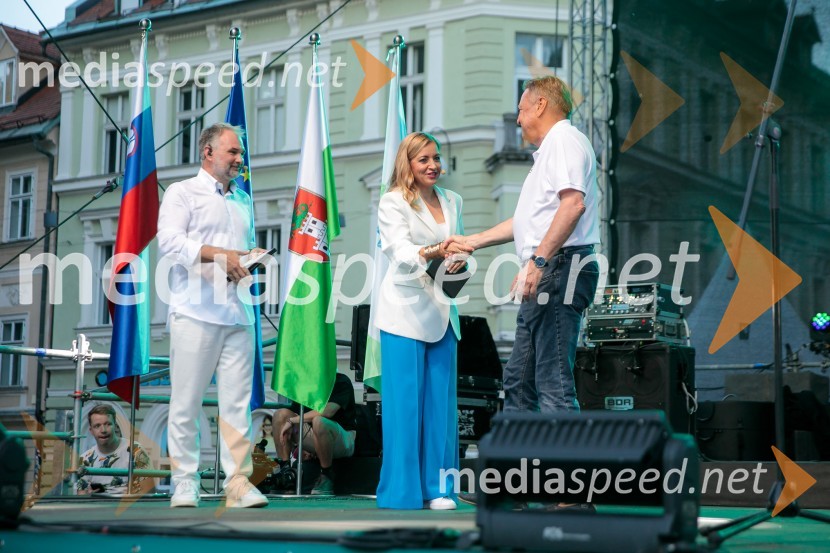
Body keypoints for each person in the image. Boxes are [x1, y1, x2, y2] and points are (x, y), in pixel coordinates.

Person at [445, 75, 600, 414]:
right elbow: (528, 221)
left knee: (553, 383)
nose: (517, 119)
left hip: (560, 267)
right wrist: (472, 241)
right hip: (553, 268)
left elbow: (573, 205)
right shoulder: (550, 151)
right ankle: (522, 448)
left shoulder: (564, 141)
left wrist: (538, 262)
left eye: (521, 109)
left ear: (541, 105)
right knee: (518, 381)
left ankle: (566, 451)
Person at [157, 122, 268, 509]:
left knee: (237, 406)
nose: (240, 159)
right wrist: (223, 256)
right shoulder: (181, 192)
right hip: (195, 311)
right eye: (233, 152)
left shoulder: (242, 200)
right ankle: (184, 482)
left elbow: (238, 252)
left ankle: (237, 482)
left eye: (241, 153)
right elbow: (169, 241)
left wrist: (251, 258)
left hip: (238, 314)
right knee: (186, 402)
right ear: (208, 152)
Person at [372, 132, 468, 510]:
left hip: (444, 308)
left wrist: (459, 259)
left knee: (441, 409)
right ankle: (402, 492)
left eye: (436, 158)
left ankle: (438, 489)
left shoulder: (454, 199)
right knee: (405, 409)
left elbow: (458, 247)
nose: (433, 165)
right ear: (408, 163)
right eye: (423, 159)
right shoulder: (392, 201)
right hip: (403, 313)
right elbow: (399, 252)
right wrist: (437, 250)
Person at [271, 372, 357, 495]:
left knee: (319, 421)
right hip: (315, 435)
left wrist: (293, 420)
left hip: (344, 439)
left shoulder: (341, 380)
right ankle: (286, 473)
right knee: (280, 415)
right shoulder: (304, 384)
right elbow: (294, 414)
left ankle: (326, 476)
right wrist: (299, 447)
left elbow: (327, 412)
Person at [76, 404, 153, 495]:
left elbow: (149, 490)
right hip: (97, 503)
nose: (103, 430)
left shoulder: (136, 450)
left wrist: (132, 494)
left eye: (108, 424)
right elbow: (80, 495)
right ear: (91, 431)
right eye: (97, 426)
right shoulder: (85, 459)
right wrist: (88, 495)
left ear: (115, 426)